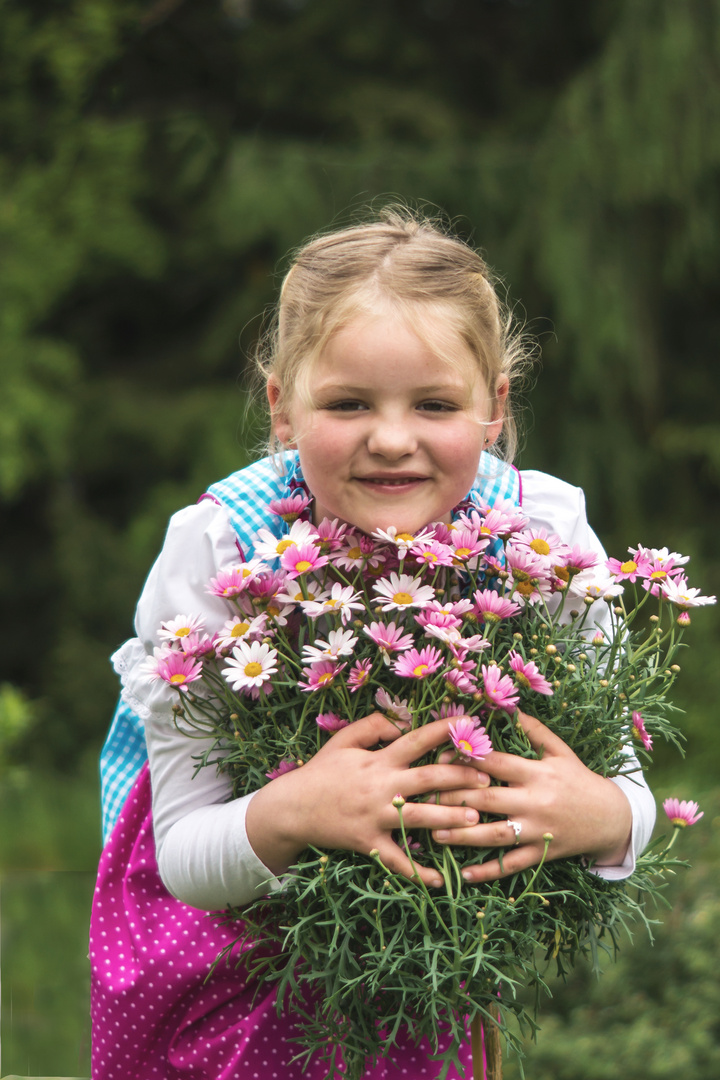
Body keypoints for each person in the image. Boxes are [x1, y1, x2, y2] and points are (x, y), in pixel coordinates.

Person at [91, 209, 656, 1080]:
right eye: (348, 403)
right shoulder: (221, 548)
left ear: (495, 408)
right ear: (281, 407)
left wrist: (604, 816)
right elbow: (184, 856)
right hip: (225, 946)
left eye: (434, 404)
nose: (392, 439)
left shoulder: (541, 533)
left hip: (426, 960)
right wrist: (305, 811)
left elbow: (626, 783)